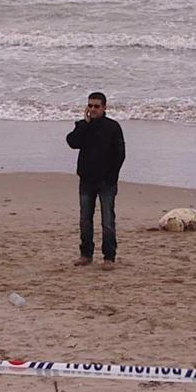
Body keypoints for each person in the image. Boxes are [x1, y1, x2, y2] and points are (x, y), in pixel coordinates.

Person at [66, 91, 126, 270]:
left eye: (96, 106)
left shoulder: (113, 127)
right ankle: (86, 254)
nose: (93, 109)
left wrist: (112, 177)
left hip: (106, 182)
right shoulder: (83, 126)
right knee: (85, 219)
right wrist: (85, 123)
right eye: (90, 106)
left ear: (104, 107)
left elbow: (120, 154)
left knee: (107, 221)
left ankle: (109, 257)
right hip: (86, 180)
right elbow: (72, 142)